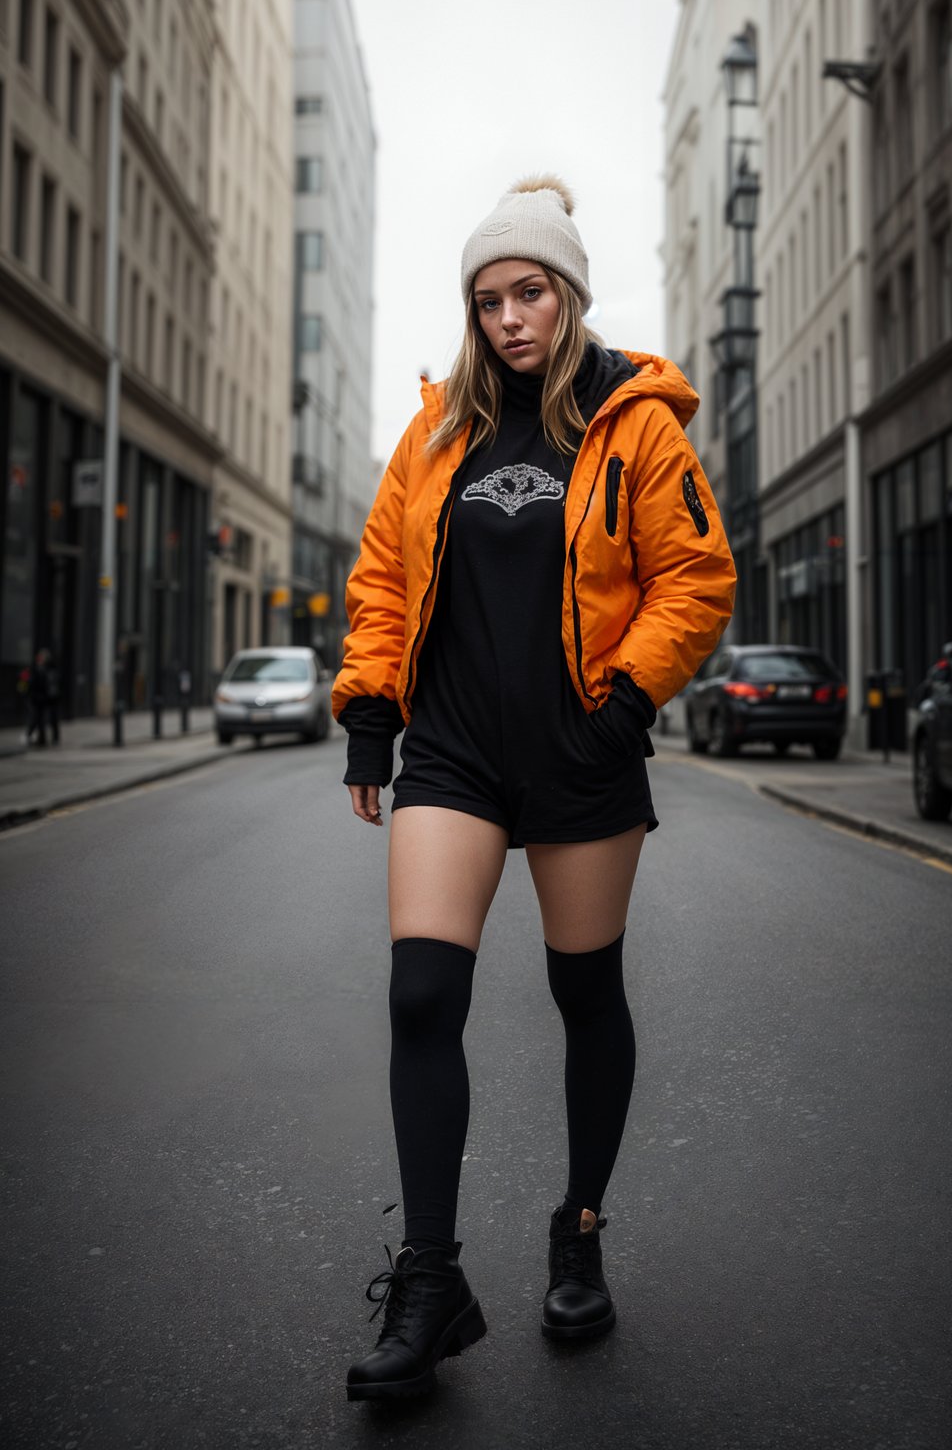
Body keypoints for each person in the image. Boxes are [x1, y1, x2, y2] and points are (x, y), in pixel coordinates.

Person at [333, 175, 736, 1402]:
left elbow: (695, 576)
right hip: (452, 751)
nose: (510, 318)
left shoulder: (638, 424)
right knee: (419, 995)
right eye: (489, 298)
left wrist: (624, 703)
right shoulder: (437, 433)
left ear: (568, 294)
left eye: (530, 292)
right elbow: (382, 581)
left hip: (580, 749)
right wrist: (367, 715)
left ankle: (579, 1232)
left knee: (585, 994)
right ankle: (430, 1281)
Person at [27, 648, 61, 747]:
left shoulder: (48, 669)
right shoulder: (39, 668)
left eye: (42, 658)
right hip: (42, 698)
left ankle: (47, 738)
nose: (40, 659)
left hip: (47, 698)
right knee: (39, 718)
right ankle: (41, 738)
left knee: (46, 718)